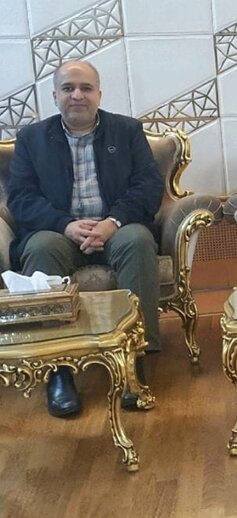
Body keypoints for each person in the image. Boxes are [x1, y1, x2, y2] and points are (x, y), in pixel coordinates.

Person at [7, 60, 162, 417]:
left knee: (138, 240)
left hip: (116, 228)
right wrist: (64, 224)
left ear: (99, 94)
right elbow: (21, 197)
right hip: (59, 232)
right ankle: (57, 369)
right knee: (40, 247)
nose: (77, 95)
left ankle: (133, 359)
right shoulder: (32, 139)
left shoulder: (127, 131)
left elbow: (148, 186)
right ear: (55, 96)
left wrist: (112, 222)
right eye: (68, 88)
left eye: (85, 88)